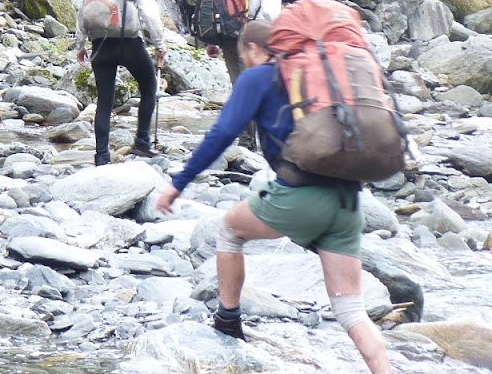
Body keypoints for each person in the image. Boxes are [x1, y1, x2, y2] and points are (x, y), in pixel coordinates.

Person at [156, 21, 391, 374]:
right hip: (347, 200)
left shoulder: (258, 77)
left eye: (244, 56)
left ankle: (228, 320)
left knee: (229, 230)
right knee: (351, 311)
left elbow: (223, 132)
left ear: (253, 49)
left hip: (299, 195)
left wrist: (179, 183)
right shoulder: (317, 78)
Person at [75, 0, 167, 165]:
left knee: (105, 100)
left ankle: (101, 155)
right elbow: (149, 13)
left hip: (100, 44)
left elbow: (82, 9)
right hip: (130, 43)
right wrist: (160, 44)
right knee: (149, 86)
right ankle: (142, 142)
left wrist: (81, 44)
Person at [216, 0, 283, 148]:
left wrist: (212, 39)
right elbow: (270, 12)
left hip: (227, 32)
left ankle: (243, 140)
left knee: (239, 85)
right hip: (254, 35)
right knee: (260, 87)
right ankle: (256, 142)